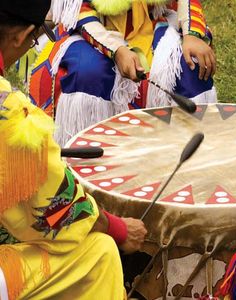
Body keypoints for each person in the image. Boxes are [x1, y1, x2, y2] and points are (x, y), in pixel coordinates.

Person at [0, 1, 147, 298]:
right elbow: (54, 209)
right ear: (20, 36)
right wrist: (117, 228)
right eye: (34, 38)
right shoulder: (9, 116)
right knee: (100, 252)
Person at [30, 0, 217, 146]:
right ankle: (84, 161)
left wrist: (192, 35)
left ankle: (187, 157)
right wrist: (116, 50)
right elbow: (79, 11)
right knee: (89, 73)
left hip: (153, 22)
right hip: (89, 29)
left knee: (189, 67)